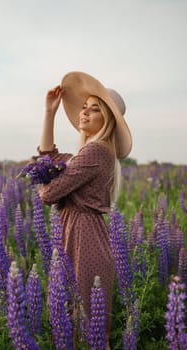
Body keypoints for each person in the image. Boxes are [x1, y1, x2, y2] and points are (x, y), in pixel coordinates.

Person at [37, 71, 132, 349]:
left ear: (108, 120)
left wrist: (45, 183)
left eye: (95, 110)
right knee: (72, 322)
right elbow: (50, 158)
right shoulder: (89, 152)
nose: (85, 114)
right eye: (84, 108)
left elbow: (49, 193)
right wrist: (49, 113)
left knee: (83, 327)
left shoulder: (97, 152)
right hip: (77, 233)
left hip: (85, 239)